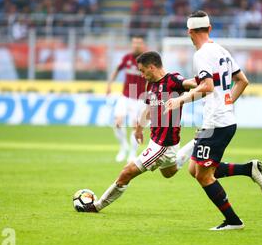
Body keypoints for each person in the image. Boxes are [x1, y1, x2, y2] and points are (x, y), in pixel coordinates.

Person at [165, 10, 262, 231]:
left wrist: (181, 100)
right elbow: (243, 81)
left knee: (203, 175)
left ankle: (233, 221)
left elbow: (207, 87)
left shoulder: (201, 54)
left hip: (217, 123)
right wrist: (227, 103)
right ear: (209, 29)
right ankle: (248, 169)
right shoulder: (221, 50)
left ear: (189, 32)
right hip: (221, 119)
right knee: (194, 169)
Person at [76, 51, 197, 213]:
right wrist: (139, 128)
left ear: (152, 67)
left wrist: (210, 81)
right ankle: (197, 142)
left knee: (127, 172)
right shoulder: (151, 84)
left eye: (142, 70)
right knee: (169, 172)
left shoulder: (173, 80)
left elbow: (195, 84)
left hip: (163, 145)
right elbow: (148, 108)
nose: (140, 75)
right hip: (158, 140)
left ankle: (96, 206)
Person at [106, 36, 147, 163]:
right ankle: (123, 146)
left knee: (135, 126)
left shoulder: (147, 60)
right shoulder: (127, 58)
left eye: (139, 43)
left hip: (140, 98)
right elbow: (117, 70)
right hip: (125, 96)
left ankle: (132, 153)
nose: (136, 45)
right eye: (134, 43)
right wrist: (109, 85)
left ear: (143, 44)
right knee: (117, 123)